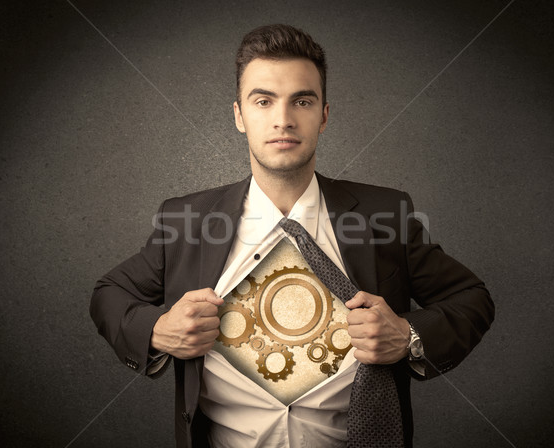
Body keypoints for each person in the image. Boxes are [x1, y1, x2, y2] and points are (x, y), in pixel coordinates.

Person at [90, 24, 494, 448]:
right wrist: (158, 329)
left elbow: (472, 298)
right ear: (239, 116)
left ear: (323, 115)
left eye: (301, 101)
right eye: (263, 101)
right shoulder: (185, 219)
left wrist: (408, 337)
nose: (283, 119)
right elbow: (108, 293)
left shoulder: (385, 214)